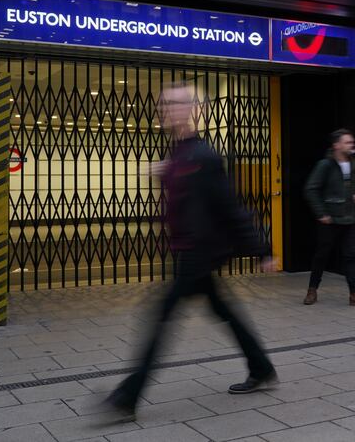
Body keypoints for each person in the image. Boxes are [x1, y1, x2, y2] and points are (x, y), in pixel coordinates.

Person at [105, 85, 278, 422]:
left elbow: (230, 206)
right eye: (163, 103)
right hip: (187, 249)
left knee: (160, 317)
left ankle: (128, 396)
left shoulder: (204, 156)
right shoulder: (181, 152)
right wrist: (163, 173)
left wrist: (263, 251)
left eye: (173, 103)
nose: (166, 109)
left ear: (192, 109)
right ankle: (261, 367)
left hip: (198, 252)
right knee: (224, 310)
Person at [303, 129, 355, 307]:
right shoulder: (325, 165)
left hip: (349, 219)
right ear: (337, 145)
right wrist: (321, 213)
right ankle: (312, 290)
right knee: (322, 255)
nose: (351, 145)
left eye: (351, 142)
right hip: (329, 220)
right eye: (347, 142)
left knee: (350, 256)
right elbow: (310, 189)